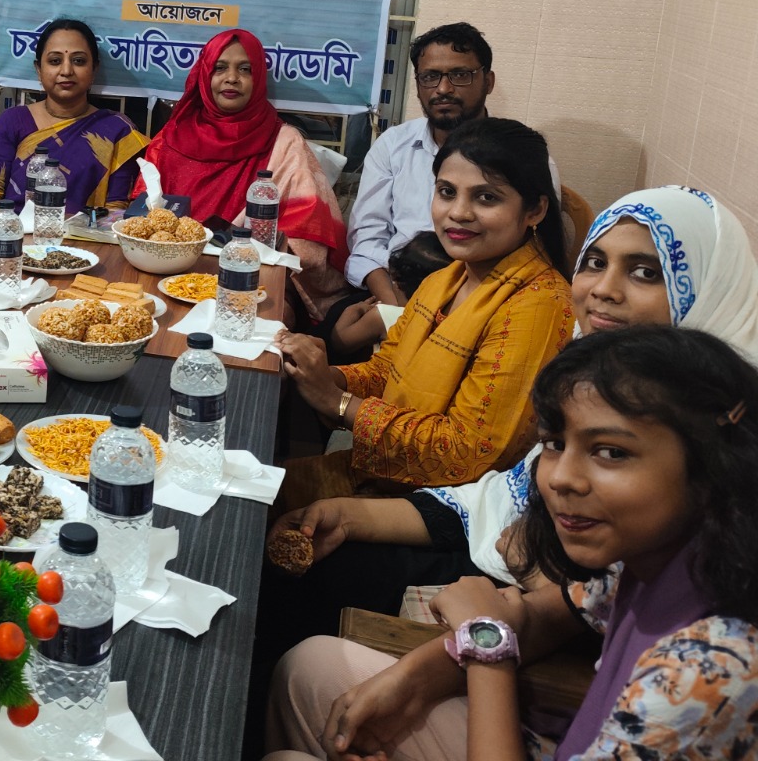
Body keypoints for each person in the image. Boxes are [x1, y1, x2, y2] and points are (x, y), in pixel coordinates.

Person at [246, 186, 758, 755]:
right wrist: (419, 672)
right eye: (595, 262)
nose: (559, 478)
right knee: (305, 662)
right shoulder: (647, 534)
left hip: (540, 699)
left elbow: (465, 461)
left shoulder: (708, 664)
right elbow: (559, 597)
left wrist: (485, 646)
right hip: (481, 567)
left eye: (644, 272)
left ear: (532, 211)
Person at [277, 117, 573, 500]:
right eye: (447, 192)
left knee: (252, 517)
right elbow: (388, 370)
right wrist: (321, 374)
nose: (459, 212)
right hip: (386, 470)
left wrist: (336, 401)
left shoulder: (538, 306)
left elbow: (468, 453)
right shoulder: (446, 280)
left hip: (445, 507)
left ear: (535, 210)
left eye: (486, 198)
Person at [137, 27, 349, 319]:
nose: (232, 78)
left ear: (259, 77)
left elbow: (306, 232)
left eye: (245, 69)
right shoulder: (172, 136)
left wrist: (239, 253)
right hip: (165, 270)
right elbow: (142, 210)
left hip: (250, 278)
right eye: (220, 67)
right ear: (204, 74)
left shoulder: (285, 143)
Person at [346, 22, 562, 305]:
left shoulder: (524, 155)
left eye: (460, 75)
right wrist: (396, 308)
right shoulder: (393, 145)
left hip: (488, 296)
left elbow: (538, 249)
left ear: (488, 81)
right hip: (393, 290)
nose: (443, 89)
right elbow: (367, 240)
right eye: (430, 77)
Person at [0, 18, 146, 264]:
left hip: (81, 253)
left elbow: (115, 213)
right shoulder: (13, 121)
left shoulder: (116, 131)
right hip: (8, 248)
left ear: (94, 69)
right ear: (38, 69)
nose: (66, 70)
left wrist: (67, 254)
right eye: (54, 61)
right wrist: (14, 245)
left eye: (79, 61)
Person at [329, 231, 452, 355]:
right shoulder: (452, 319)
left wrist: (355, 310)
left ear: (397, 282)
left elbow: (340, 342)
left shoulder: (384, 316)